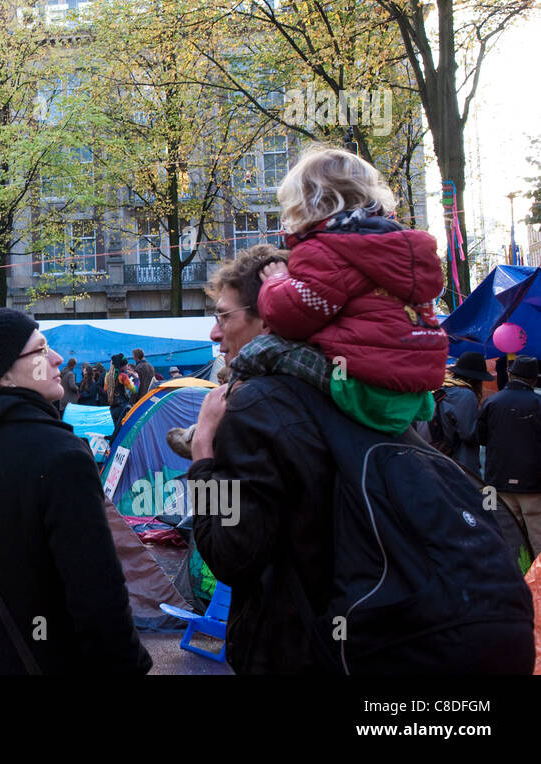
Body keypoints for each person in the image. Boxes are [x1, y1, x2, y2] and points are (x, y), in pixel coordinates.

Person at [188, 246, 533, 673]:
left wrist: (204, 457)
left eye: (223, 316)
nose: (213, 333)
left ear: (268, 316)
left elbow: (228, 556)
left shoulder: (256, 404)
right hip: (380, 637)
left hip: (298, 646)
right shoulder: (359, 391)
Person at [0, 308, 153, 675]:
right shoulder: (62, 457)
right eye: (40, 350)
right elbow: (100, 603)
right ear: (2, 374)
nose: (57, 358)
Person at [256, 145, 447, 434]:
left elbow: (289, 316)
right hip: (413, 390)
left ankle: (218, 417)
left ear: (307, 202)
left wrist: (276, 281)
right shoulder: (398, 245)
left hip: (355, 383)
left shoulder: (325, 249)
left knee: (262, 350)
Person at [477, 354, 541, 555]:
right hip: (533, 482)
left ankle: (513, 576)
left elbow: (480, 438)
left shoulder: (491, 402)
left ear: (510, 375)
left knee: (507, 535)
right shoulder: (538, 404)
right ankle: (537, 581)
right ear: (534, 379)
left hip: (497, 480)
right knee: (537, 534)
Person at [428, 351, 493, 477]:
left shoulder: (442, 387)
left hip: (437, 455)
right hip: (460, 461)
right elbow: (468, 433)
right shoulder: (466, 395)